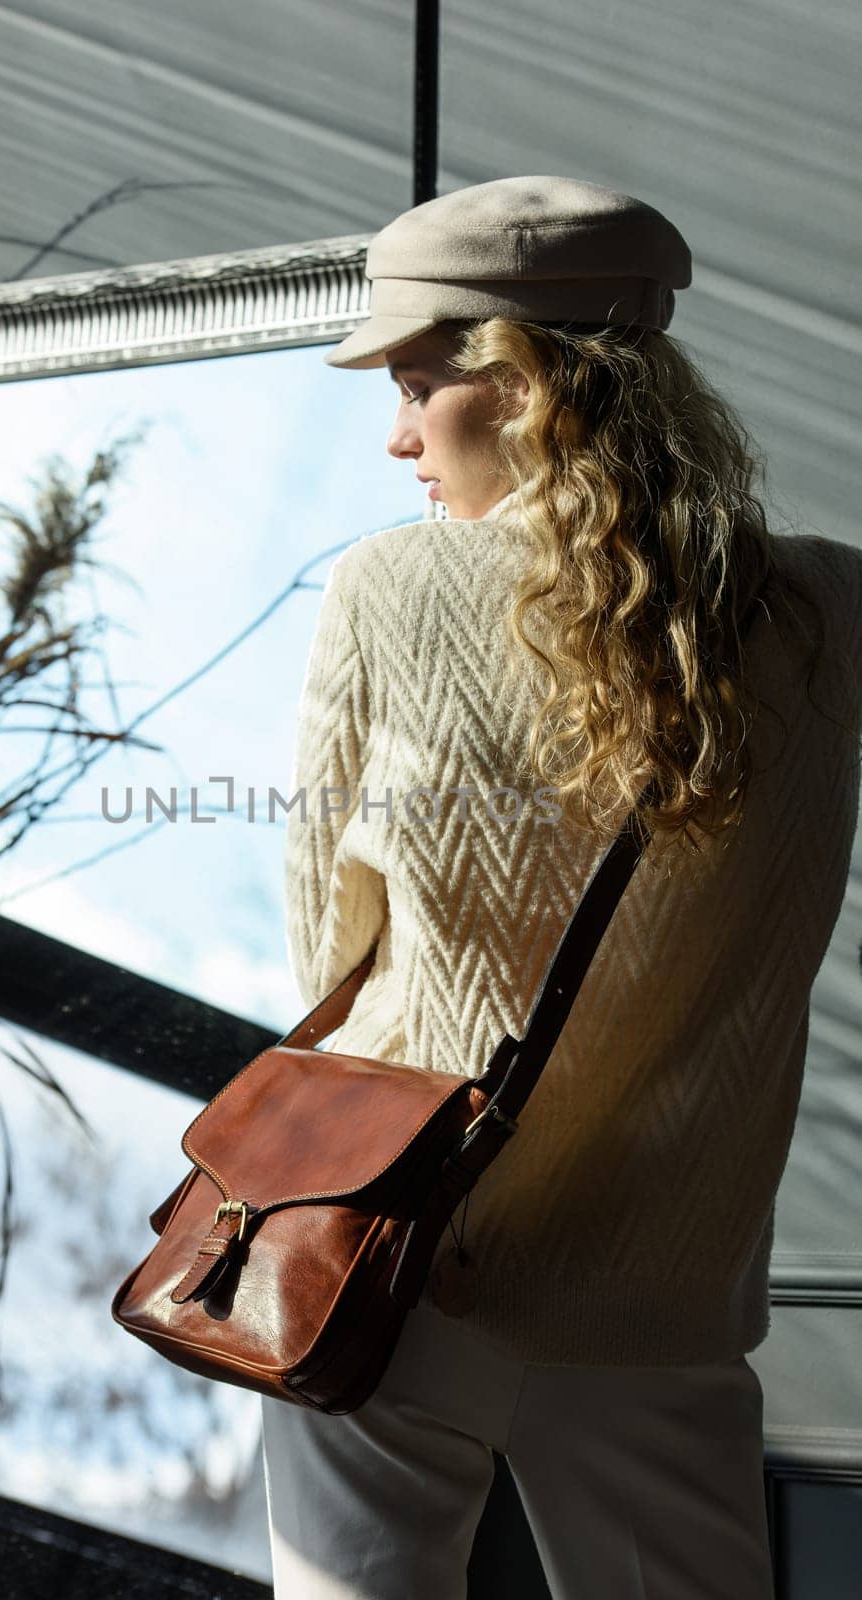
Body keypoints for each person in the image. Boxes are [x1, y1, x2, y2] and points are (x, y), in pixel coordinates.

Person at [259, 176, 862, 1599]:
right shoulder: (830, 614)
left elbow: (323, 939)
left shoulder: (392, 589)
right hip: (665, 1284)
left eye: (416, 383)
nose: (399, 434)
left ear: (519, 382)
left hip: (396, 1248)